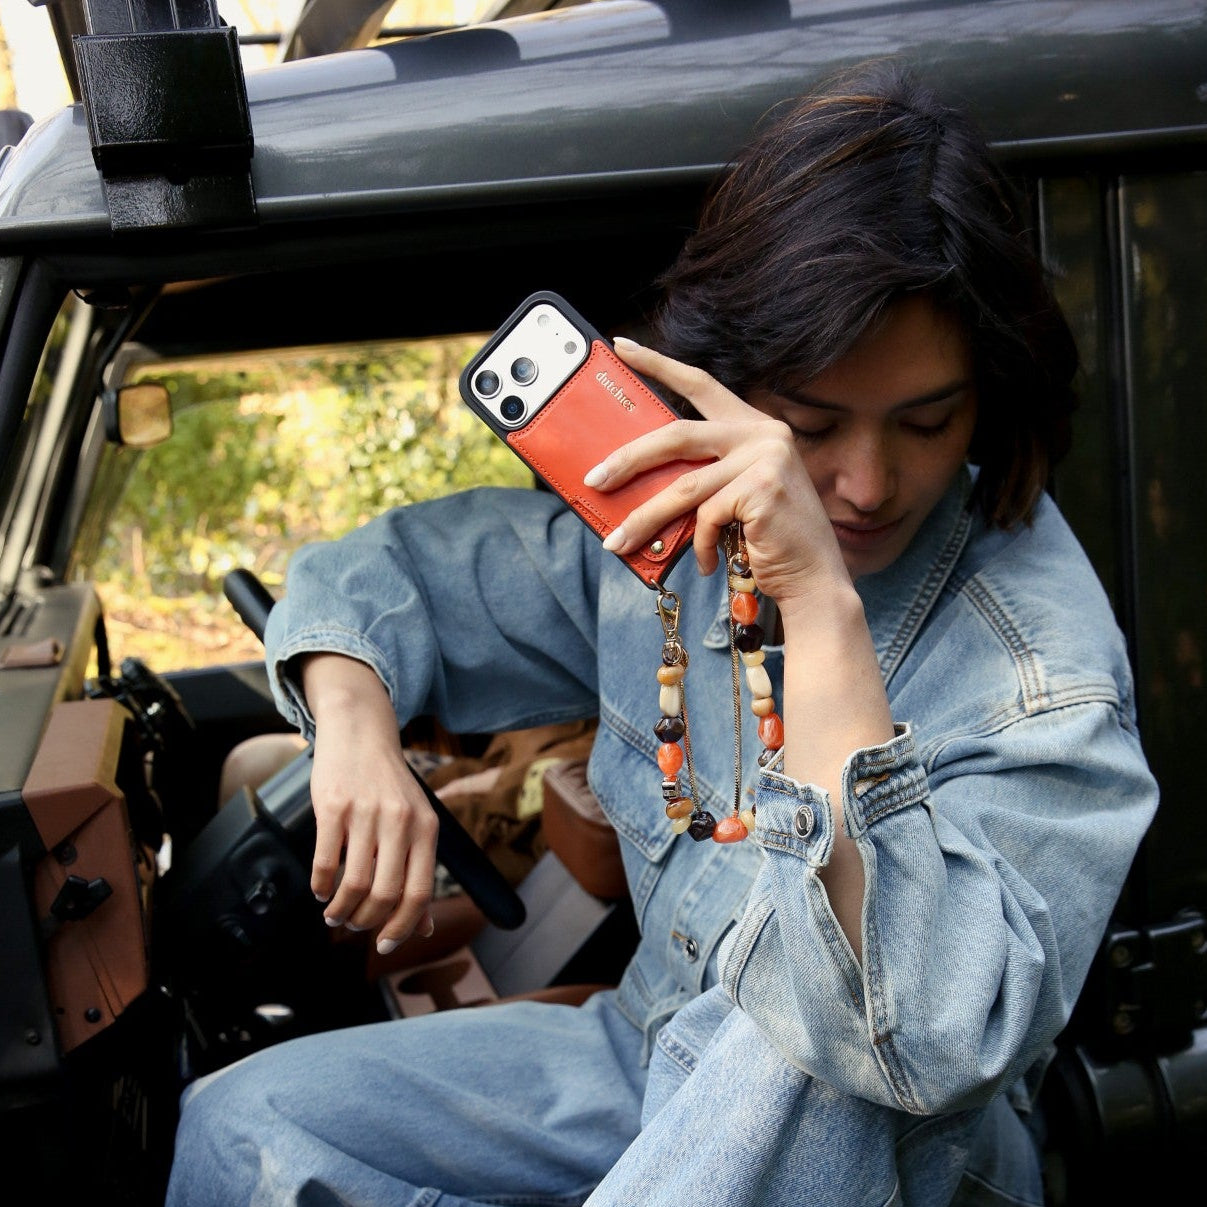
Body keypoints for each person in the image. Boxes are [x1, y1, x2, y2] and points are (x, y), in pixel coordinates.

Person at [165, 62, 1158, 1207]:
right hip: (649, 1055)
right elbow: (393, 576)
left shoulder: (1043, 675)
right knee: (246, 1128)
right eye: (812, 423)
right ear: (725, 383)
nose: (868, 481)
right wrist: (350, 728)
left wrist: (822, 604)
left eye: (926, 422)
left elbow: (917, 1036)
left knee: (807, 1027)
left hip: (878, 1142)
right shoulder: (679, 531)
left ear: (986, 397)